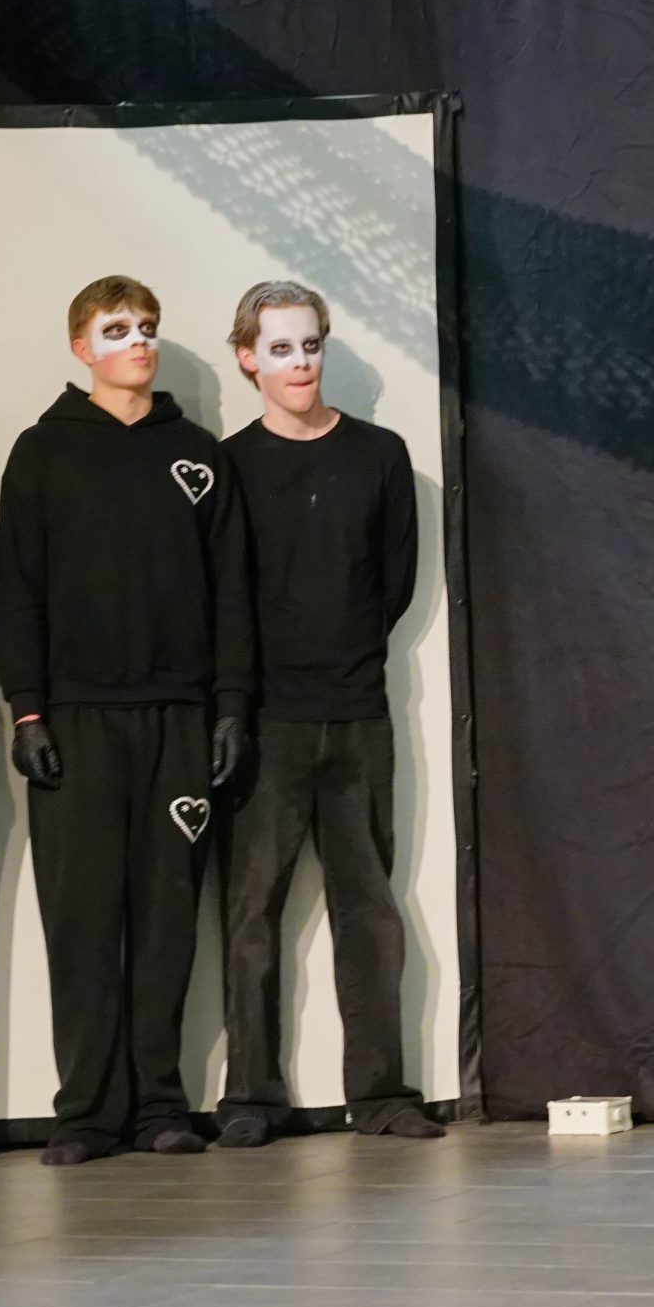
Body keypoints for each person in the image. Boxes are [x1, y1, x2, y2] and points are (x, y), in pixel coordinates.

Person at [0, 275, 252, 1165]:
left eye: (145, 327)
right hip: (74, 720)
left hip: (178, 719)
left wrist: (229, 704)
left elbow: (231, 594)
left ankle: (158, 1106)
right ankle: (84, 1113)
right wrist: (27, 709)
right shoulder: (42, 452)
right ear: (82, 347)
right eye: (116, 329)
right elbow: (17, 590)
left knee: (166, 918)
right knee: (81, 921)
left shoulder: (198, 454)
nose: (137, 341)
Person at [213, 281, 440, 1147]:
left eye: (310, 344)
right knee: (250, 913)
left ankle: (380, 1093)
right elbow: (226, 595)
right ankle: (251, 1097)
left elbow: (392, 584)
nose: (300, 362)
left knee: (369, 909)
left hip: (356, 713)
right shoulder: (231, 465)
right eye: (280, 348)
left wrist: (343, 656)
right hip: (266, 718)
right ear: (248, 358)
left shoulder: (380, 455)